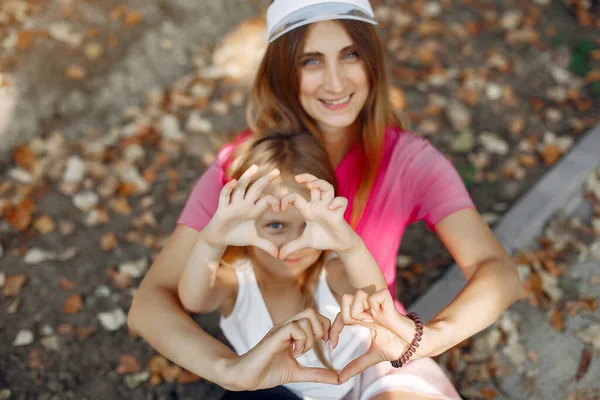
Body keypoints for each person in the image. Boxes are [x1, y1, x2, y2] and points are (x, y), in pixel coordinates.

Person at [128, 0, 523, 396]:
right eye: (310, 61)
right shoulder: (247, 171)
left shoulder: (409, 162)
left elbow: (499, 273)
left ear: (371, 62)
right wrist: (230, 370)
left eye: (350, 54)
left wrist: (426, 340)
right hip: (278, 372)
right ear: (284, 73)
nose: (335, 82)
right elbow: (149, 305)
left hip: (374, 351)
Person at [176, 131, 462, 399]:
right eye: (275, 225)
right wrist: (211, 242)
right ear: (245, 222)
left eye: (306, 225)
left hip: (376, 375)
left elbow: (377, 298)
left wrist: (348, 244)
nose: (293, 242)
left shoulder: (332, 271)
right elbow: (194, 299)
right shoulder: (236, 282)